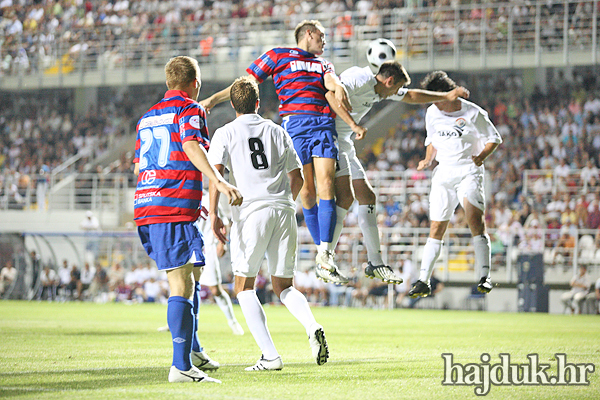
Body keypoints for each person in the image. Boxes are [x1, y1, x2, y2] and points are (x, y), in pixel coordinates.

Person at [201, 20, 352, 285]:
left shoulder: (323, 64)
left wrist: (337, 85)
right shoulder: (277, 55)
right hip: (294, 123)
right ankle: (321, 250)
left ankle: (325, 253)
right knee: (306, 189)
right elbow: (245, 82)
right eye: (322, 36)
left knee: (327, 183)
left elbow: (330, 81)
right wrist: (213, 99)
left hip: (322, 124)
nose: (324, 41)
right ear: (308, 33)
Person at [133, 55, 242, 384]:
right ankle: (180, 366)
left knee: (193, 272)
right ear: (195, 83)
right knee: (181, 283)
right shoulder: (189, 110)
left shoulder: (147, 118)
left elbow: (139, 167)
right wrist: (218, 180)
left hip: (150, 205)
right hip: (173, 205)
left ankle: (192, 350)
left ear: (168, 82)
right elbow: (191, 144)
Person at [208, 76, 328, 371]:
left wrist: (214, 213)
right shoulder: (277, 130)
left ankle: (270, 356)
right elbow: (297, 176)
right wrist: (286, 202)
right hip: (284, 209)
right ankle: (311, 325)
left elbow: (216, 175)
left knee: (243, 287)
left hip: (250, 213)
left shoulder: (225, 132)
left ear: (233, 105)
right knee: (284, 285)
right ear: (258, 103)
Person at [324, 61, 470, 284]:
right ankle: (325, 257)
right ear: (389, 80)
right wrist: (353, 125)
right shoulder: (359, 78)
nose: (396, 94)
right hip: (326, 139)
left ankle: (374, 262)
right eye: (395, 88)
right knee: (345, 198)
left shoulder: (378, 91)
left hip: (343, 143)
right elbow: (330, 96)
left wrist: (445, 96)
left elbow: (411, 96)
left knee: (366, 197)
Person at [407, 71, 502, 298]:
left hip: (469, 171)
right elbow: (432, 140)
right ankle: (423, 280)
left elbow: (494, 138)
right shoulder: (432, 112)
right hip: (443, 174)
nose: (432, 103)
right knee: (436, 228)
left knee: (474, 219)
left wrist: (481, 157)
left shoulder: (473, 112)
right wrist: (428, 159)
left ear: (446, 96)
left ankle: (484, 276)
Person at [197, 187, 245, 335]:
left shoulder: (208, 199)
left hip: (207, 247)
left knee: (215, 289)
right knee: (183, 287)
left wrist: (221, 243)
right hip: (188, 245)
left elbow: (223, 222)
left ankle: (232, 321)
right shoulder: (182, 196)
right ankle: (178, 323)